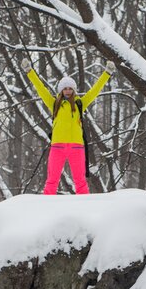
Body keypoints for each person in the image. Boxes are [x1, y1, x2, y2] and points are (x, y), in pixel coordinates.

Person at [21, 58, 116, 195]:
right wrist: (29, 71)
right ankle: (46, 208)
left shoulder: (79, 104)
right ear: (61, 90)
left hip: (76, 147)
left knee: (80, 182)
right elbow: (40, 88)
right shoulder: (54, 104)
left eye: (70, 88)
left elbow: (95, 91)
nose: (67, 91)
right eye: (65, 88)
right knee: (52, 181)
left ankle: (84, 208)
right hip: (57, 146)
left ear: (74, 90)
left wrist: (107, 73)